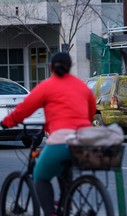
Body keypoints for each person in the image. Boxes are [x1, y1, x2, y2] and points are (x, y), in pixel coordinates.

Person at [0, 52, 96, 216]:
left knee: (40, 176)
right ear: (70, 67)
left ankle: (51, 213)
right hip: (84, 139)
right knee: (65, 171)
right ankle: (67, 205)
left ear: (50, 67)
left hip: (61, 140)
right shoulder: (82, 87)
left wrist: (7, 122)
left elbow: (24, 108)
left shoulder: (47, 86)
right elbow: (91, 111)